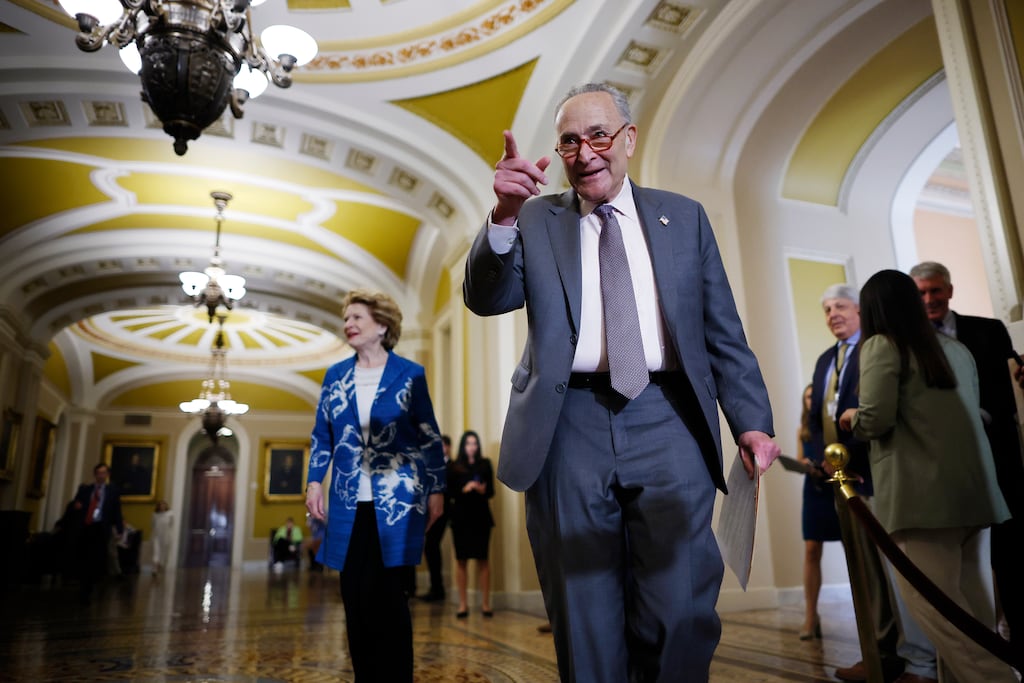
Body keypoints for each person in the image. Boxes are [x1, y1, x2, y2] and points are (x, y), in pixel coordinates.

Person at [463, 82, 780, 682]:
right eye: (569, 142)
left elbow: (722, 330)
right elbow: (487, 296)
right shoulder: (536, 218)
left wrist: (752, 421)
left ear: (628, 139)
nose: (585, 153)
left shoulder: (683, 217)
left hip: (670, 417)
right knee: (583, 610)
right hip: (567, 426)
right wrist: (502, 217)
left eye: (599, 135)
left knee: (680, 600)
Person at [838, 269, 1014, 683]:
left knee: (941, 614)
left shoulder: (881, 345)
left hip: (921, 499)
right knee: (976, 614)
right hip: (974, 493)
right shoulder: (956, 349)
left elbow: (876, 419)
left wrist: (851, 418)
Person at [305, 288, 445, 683]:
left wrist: (437, 489)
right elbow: (322, 436)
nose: (348, 324)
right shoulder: (335, 376)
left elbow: (428, 436)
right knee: (354, 595)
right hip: (349, 503)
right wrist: (314, 481)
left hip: (396, 504)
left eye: (357, 318)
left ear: (381, 325)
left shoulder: (409, 374)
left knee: (389, 598)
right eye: (346, 318)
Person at [910, 261, 1024, 650]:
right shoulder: (906, 342)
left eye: (935, 291)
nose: (929, 300)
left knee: (1009, 551)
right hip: (942, 468)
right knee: (959, 560)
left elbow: (1012, 379)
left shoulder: (988, 330)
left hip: (999, 455)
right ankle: (973, 646)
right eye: (921, 293)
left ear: (950, 291)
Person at [809, 284, 913, 682]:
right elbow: (819, 413)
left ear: (859, 310)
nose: (832, 314)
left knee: (892, 570)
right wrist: (824, 454)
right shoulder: (824, 360)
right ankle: (877, 652)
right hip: (839, 478)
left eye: (840, 306)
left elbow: (876, 411)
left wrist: (853, 456)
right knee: (864, 574)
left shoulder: (876, 347)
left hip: (873, 472)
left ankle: (907, 655)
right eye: (827, 309)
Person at [795, 383, 840, 640]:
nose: (811, 400)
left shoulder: (831, 425)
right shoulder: (803, 431)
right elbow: (801, 457)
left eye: (814, 396)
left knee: (854, 550)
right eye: (807, 397)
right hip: (813, 491)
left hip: (838, 489)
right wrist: (804, 465)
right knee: (811, 550)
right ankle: (811, 616)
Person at [447, 430, 495, 618]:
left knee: (483, 560)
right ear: (463, 446)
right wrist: (464, 489)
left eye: (475, 443)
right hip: (460, 518)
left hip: (481, 517)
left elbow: (491, 491)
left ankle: (485, 604)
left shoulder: (485, 464)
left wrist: (482, 489)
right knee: (461, 561)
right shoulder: (454, 467)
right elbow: (449, 493)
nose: (472, 447)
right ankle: (463, 604)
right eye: (468, 444)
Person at [70, 462, 124, 602]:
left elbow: (117, 511)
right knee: (84, 556)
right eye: (99, 473)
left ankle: (92, 583)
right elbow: (76, 505)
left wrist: (119, 529)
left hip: (101, 527)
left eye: (103, 473)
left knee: (97, 556)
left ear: (107, 475)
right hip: (86, 527)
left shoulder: (112, 491)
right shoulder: (85, 489)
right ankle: (84, 586)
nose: (101, 475)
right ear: (95, 474)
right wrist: (77, 506)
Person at [418, 434, 451, 601]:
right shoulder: (428, 466)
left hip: (443, 513)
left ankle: (437, 588)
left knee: (431, 546)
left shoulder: (451, 466)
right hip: (429, 511)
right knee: (429, 548)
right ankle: (435, 587)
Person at [151, 500, 173, 576]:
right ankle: (155, 568)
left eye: (164, 505)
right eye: (161, 505)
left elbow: (171, 524)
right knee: (156, 552)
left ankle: (160, 566)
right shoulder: (155, 515)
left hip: (166, 536)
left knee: (164, 552)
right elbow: (153, 525)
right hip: (157, 536)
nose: (162, 506)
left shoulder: (170, 514)